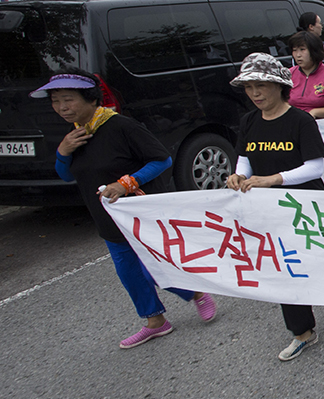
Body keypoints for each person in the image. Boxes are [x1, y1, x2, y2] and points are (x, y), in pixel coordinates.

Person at [34, 69, 216, 348]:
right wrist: (63, 152)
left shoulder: (121, 126)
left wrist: (126, 183)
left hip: (139, 213)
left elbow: (162, 160)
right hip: (107, 218)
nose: (61, 108)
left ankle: (196, 294)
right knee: (129, 272)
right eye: (56, 101)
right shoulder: (74, 135)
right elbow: (67, 175)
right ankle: (155, 322)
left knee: (153, 268)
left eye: (68, 100)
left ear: (90, 98)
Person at [226, 53, 324, 360]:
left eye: (261, 85)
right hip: (269, 211)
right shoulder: (248, 122)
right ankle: (302, 332)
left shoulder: (300, 121)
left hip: (306, 205)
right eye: (249, 87)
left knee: (322, 258)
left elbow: (315, 167)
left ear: (279, 86)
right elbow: (245, 158)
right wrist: (240, 176)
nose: (255, 93)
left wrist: (273, 179)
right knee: (285, 266)